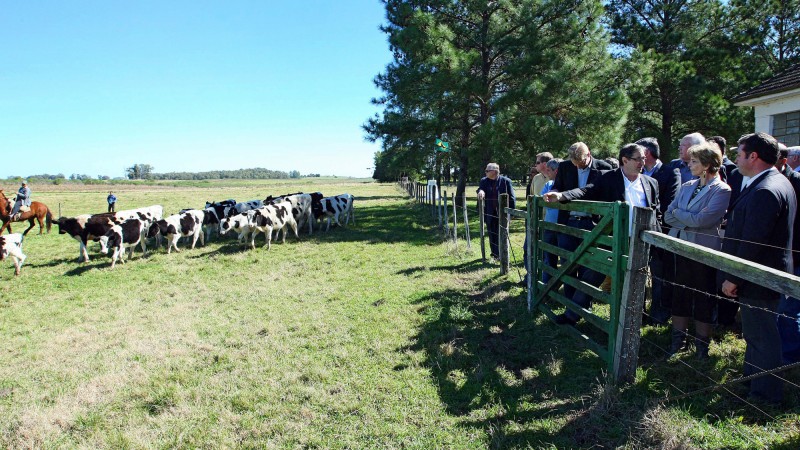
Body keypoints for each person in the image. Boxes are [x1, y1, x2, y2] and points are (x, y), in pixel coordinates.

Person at [545, 143, 660, 325]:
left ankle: (637, 318)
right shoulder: (608, 178)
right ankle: (572, 314)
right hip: (612, 238)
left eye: (644, 159)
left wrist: (655, 236)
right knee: (592, 275)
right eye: (638, 159)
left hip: (640, 241)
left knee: (638, 277)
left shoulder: (651, 183)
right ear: (625, 160)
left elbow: (656, 212)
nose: (642, 162)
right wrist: (562, 196)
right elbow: (586, 191)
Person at [719, 132, 796, 404]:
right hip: (761, 274)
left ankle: (765, 395)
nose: (736, 159)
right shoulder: (772, 181)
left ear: (753, 156)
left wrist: (733, 278)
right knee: (755, 333)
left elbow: (753, 242)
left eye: (739, 154)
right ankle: (752, 382)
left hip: (759, 276)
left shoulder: (765, 190)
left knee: (762, 335)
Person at [663, 143, 731, 358]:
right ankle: (678, 342)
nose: (689, 164)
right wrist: (688, 219)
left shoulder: (722, 190)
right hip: (680, 248)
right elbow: (667, 214)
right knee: (679, 295)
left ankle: (702, 347)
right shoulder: (687, 186)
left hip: (703, 252)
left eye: (694, 161)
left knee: (704, 297)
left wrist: (681, 216)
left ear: (707, 165)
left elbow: (704, 220)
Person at [550, 142, 612, 304]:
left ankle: (583, 303)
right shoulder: (564, 167)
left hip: (592, 224)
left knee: (588, 265)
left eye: (581, 163)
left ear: (588, 154)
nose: (577, 166)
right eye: (574, 164)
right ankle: (570, 302)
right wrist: (553, 192)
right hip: (568, 222)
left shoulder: (604, 167)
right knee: (567, 263)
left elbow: (604, 193)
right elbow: (557, 186)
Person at [638, 137, 681, 324]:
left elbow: (670, 202)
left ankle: (658, 316)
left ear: (646, 153)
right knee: (637, 272)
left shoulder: (671, 172)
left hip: (660, 232)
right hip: (638, 233)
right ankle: (636, 313)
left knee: (660, 276)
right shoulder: (636, 172)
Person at [775, 147, 800, 364]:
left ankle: (788, 358)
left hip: (795, 255)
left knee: (788, 310)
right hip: (778, 255)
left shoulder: (796, 182)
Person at [477, 163, 516, 259]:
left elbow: (512, 197)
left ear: (494, 171)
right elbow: (480, 189)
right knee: (492, 233)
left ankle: (502, 255)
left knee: (502, 233)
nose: (485, 172)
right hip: (489, 212)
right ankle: (494, 254)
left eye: (487, 171)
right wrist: (481, 191)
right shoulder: (484, 181)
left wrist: (511, 213)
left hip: (503, 213)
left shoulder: (506, 181)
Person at [540, 159, 562, 283]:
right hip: (549, 227)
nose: (546, 172)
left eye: (549, 170)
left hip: (564, 227)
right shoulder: (548, 184)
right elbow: (541, 199)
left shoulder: (568, 185)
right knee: (549, 258)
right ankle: (547, 286)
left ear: (556, 171)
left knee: (565, 259)